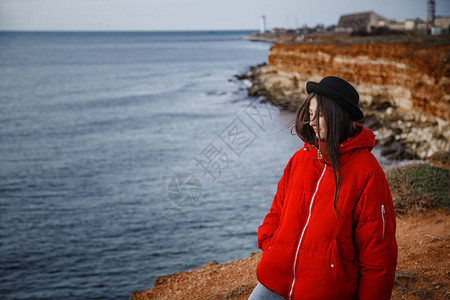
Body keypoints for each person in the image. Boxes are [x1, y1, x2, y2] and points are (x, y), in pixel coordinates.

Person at [248, 76, 398, 300]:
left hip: (323, 291)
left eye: (320, 115)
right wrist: (271, 246)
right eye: (310, 114)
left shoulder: (368, 172)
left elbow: (378, 256)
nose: (312, 122)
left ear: (338, 117)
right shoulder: (300, 159)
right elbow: (276, 212)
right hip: (276, 279)